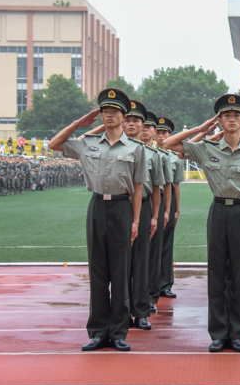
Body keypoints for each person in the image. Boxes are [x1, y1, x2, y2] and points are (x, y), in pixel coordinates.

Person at [49, 88, 148, 352]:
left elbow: (138, 187)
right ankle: (98, 332)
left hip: (122, 208)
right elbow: (54, 144)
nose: (109, 115)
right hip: (97, 207)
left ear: (124, 116)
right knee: (98, 272)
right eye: (105, 111)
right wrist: (79, 123)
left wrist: (136, 221)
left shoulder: (136, 148)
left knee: (120, 272)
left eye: (114, 111)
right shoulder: (87, 143)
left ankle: (118, 332)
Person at [163, 94, 240, 353]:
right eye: (226, 115)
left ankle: (237, 331)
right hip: (218, 211)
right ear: (219, 120)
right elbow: (168, 143)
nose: (232, 119)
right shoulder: (206, 149)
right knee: (217, 273)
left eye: (237, 115)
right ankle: (218, 332)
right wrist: (201, 129)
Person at [143, 111, 173, 315]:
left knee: (154, 251)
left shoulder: (160, 156)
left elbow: (167, 185)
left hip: (154, 201)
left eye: (148, 127)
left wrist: (167, 210)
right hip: (130, 202)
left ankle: (151, 293)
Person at [154, 116, 184, 301]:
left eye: (164, 132)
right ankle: (149, 283)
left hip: (168, 200)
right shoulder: (146, 152)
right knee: (150, 243)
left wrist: (177, 208)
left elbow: (176, 185)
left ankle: (165, 284)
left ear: (170, 135)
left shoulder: (175, 157)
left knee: (166, 242)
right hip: (151, 199)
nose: (161, 135)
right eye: (158, 132)